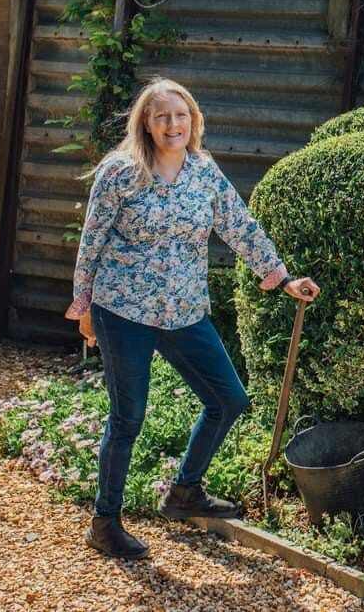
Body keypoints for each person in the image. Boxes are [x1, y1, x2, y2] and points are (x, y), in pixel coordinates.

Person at [64, 77, 319, 560]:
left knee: (228, 399)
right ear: (146, 123)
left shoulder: (203, 171)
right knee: (128, 417)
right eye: (162, 116)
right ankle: (105, 521)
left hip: (184, 311)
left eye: (180, 115)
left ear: (193, 121)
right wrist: (84, 308)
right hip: (124, 311)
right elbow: (92, 241)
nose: (172, 124)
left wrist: (282, 276)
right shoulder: (120, 173)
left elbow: (237, 223)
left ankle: (185, 492)